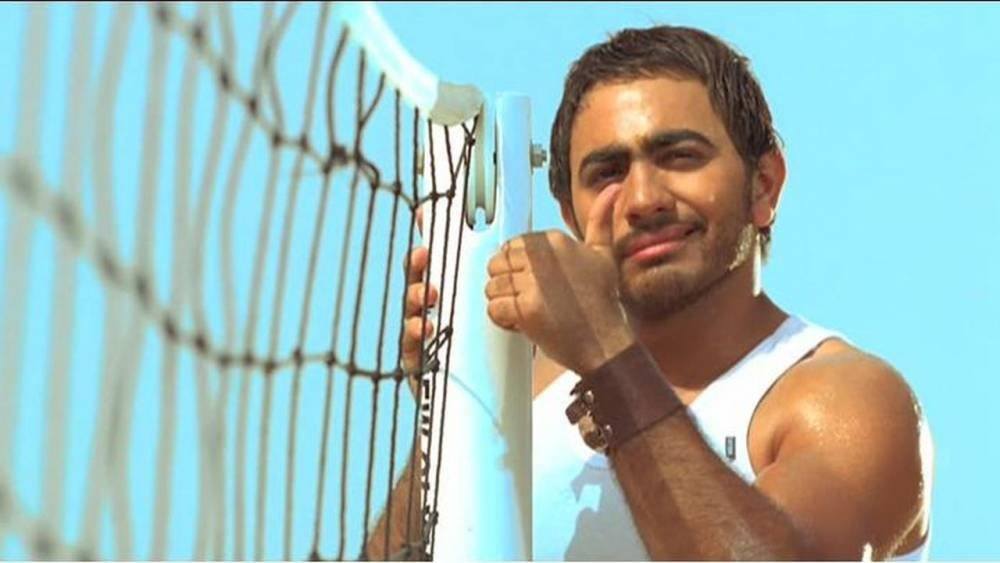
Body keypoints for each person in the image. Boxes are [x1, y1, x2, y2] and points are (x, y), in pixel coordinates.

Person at [371, 24, 933, 561]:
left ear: (763, 186)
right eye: (607, 173)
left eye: (679, 156)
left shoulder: (843, 399)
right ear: (570, 215)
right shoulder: (524, 387)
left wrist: (607, 359)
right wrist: (451, 414)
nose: (642, 199)